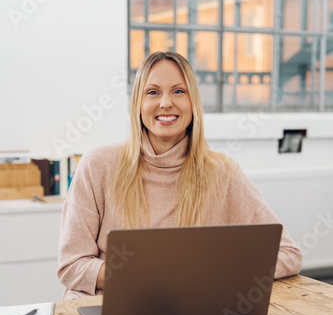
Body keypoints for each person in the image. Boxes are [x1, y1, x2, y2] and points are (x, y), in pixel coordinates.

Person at [57, 51, 302, 299]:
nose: (165, 103)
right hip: (108, 304)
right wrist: (144, 278)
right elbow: (72, 265)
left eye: (178, 91)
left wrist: (213, 274)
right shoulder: (97, 164)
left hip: (187, 307)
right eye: (152, 92)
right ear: (138, 104)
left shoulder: (222, 173)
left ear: (193, 102)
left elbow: (288, 254)